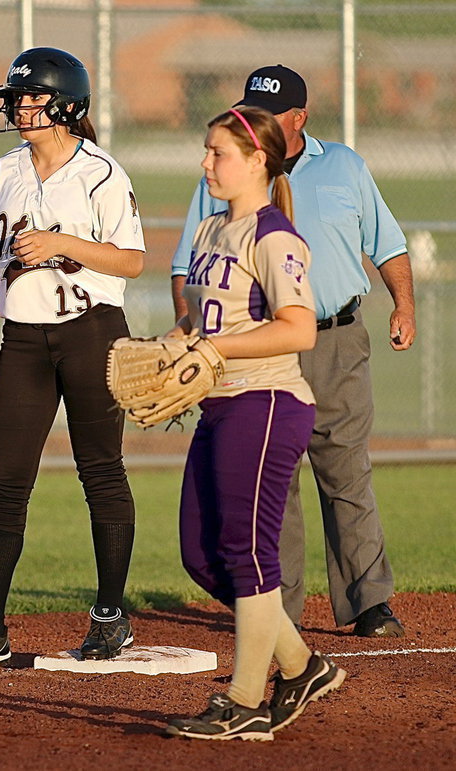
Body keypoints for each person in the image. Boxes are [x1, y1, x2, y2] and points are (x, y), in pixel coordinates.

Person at [171, 65, 415, 637]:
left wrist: (402, 305)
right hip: (254, 347)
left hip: (335, 339)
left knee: (345, 471)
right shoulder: (228, 171)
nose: (253, 122)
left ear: (298, 119)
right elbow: (188, 265)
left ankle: (368, 601)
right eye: (248, 108)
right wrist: (191, 333)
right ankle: (276, 609)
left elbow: (388, 243)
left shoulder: (344, 166)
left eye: (269, 112)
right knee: (273, 483)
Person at [0, 47, 145, 672]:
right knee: (3, 483)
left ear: (67, 104)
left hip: (92, 331)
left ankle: (111, 614)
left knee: (101, 472)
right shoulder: (5, 171)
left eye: (33, 98)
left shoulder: (102, 172)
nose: (20, 107)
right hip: (24, 338)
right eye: (17, 98)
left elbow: (132, 260)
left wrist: (62, 243)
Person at [164, 106, 345, 741]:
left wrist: (215, 351)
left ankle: (245, 703)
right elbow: (209, 322)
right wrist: (172, 345)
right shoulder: (212, 229)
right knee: (200, 553)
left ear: (258, 160)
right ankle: (300, 665)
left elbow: (297, 327)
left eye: (219, 153)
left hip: (267, 404)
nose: (206, 163)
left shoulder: (275, 237)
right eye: (207, 150)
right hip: (222, 403)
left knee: (247, 553)